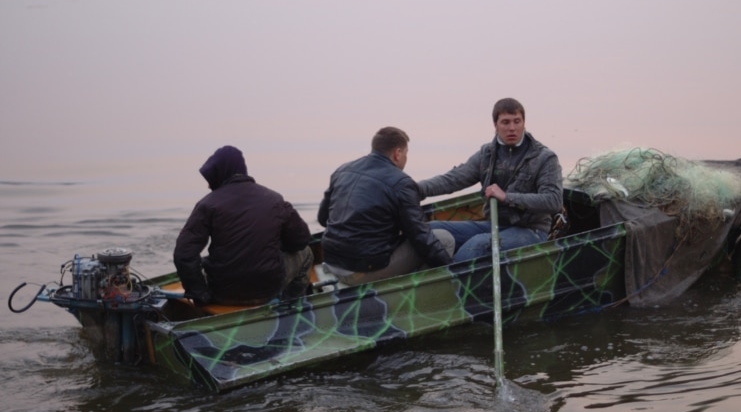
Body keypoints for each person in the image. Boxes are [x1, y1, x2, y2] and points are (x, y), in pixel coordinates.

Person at [418, 97, 563, 262]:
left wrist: (507, 197)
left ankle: (449, 277)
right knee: (429, 229)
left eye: (517, 121)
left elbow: (554, 200)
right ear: (495, 125)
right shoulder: (486, 154)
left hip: (531, 231)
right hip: (495, 225)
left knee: (477, 245)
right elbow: (453, 180)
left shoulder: (545, 158)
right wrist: (414, 189)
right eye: (505, 122)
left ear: (524, 123)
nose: (512, 128)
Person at [173, 145, 314, 306]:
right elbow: (301, 240)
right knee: (306, 253)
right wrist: (278, 246)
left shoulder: (207, 205)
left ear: (220, 175)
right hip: (268, 289)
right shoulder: (274, 199)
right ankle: (289, 306)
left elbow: (183, 254)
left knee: (206, 262)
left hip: (223, 293)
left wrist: (199, 293)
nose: (208, 186)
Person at [317, 127, 455, 285]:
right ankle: (422, 295)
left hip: (333, 263)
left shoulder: (342, 170)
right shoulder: (401, 183)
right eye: (406, 153)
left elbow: (323, 219)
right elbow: (421, 237)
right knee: (444, 238)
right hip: (360, 272)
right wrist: (454, 271)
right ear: (398, 153)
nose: (406, 158)